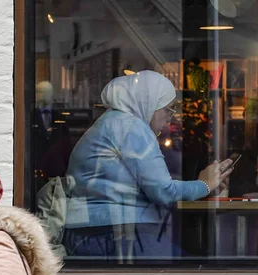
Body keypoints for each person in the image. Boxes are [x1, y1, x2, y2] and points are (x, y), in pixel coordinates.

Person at [63, 70, 233, 259]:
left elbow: (147, 187)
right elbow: (163, 191)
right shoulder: (131, 127)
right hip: (114, 234)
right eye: (168, 109)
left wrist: (203, 189)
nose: (170, 118)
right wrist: (204, 185)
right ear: (148, 103)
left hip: (94, 232)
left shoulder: (113, 123)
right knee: (196, 269)